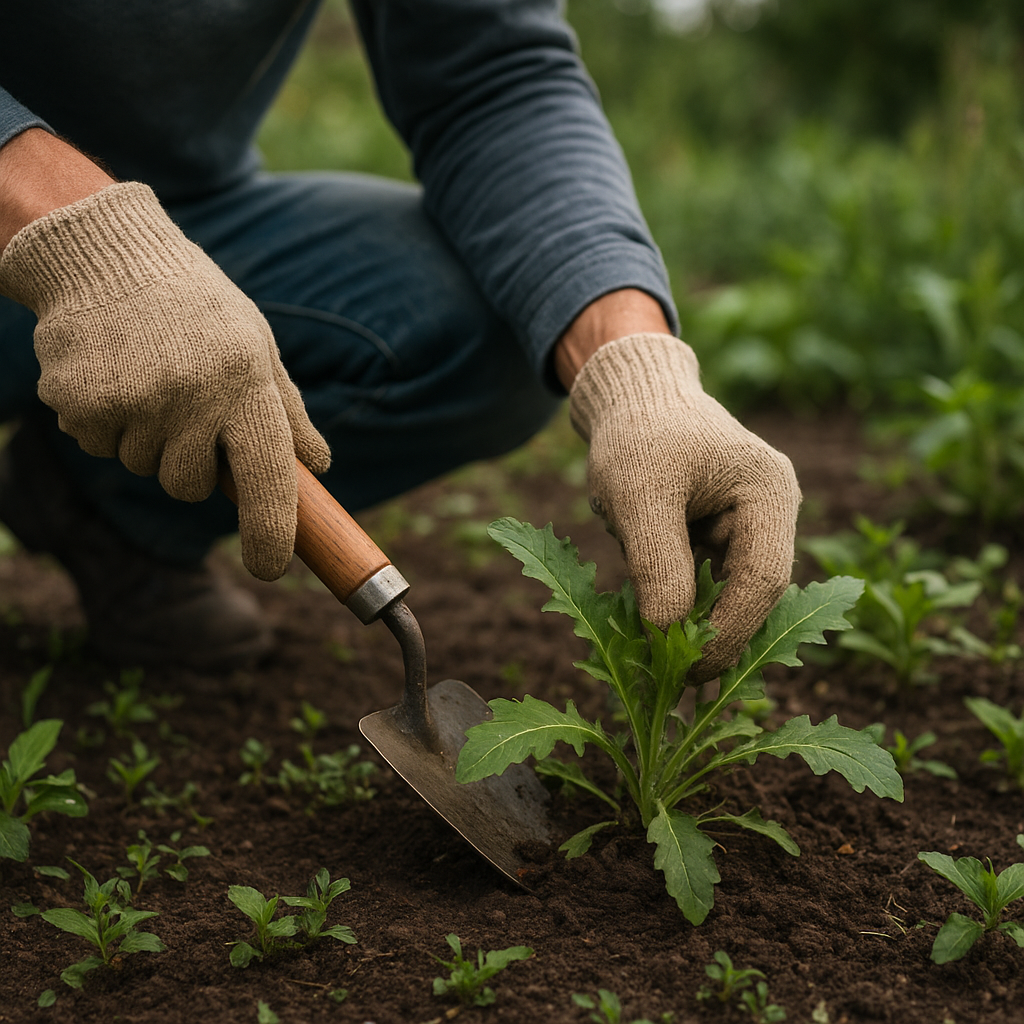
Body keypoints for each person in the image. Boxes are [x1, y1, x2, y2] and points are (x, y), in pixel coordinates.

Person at [0, 1, 800, 678]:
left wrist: (637, 371)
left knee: (489, 318)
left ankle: (98, 498)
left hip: (186, 228)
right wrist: (84, 239)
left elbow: (492, 77)